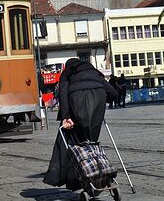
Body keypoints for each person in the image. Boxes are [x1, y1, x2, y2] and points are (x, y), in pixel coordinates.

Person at [43, 58, 118, 191]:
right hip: (99, 99)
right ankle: (98, 174)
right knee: (92, 141)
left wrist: (66, 116)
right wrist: (103, 101)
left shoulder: (67, 73)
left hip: (77, 100)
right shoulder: (94, 72)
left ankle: (84, 179)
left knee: (78, 142)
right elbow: (113, 93)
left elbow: (63, 94)